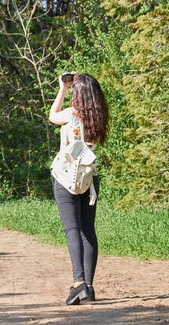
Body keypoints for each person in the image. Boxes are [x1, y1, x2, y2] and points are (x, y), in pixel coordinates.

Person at [48, 72, 109, 305]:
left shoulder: (72, 115)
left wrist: (62, 88)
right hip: (89, 179)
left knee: (72, 230)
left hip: (66, 178)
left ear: (78, 94)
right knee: (88, 230)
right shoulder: (99, 118)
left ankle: (78, 284)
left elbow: (53, 115)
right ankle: (89, 287)